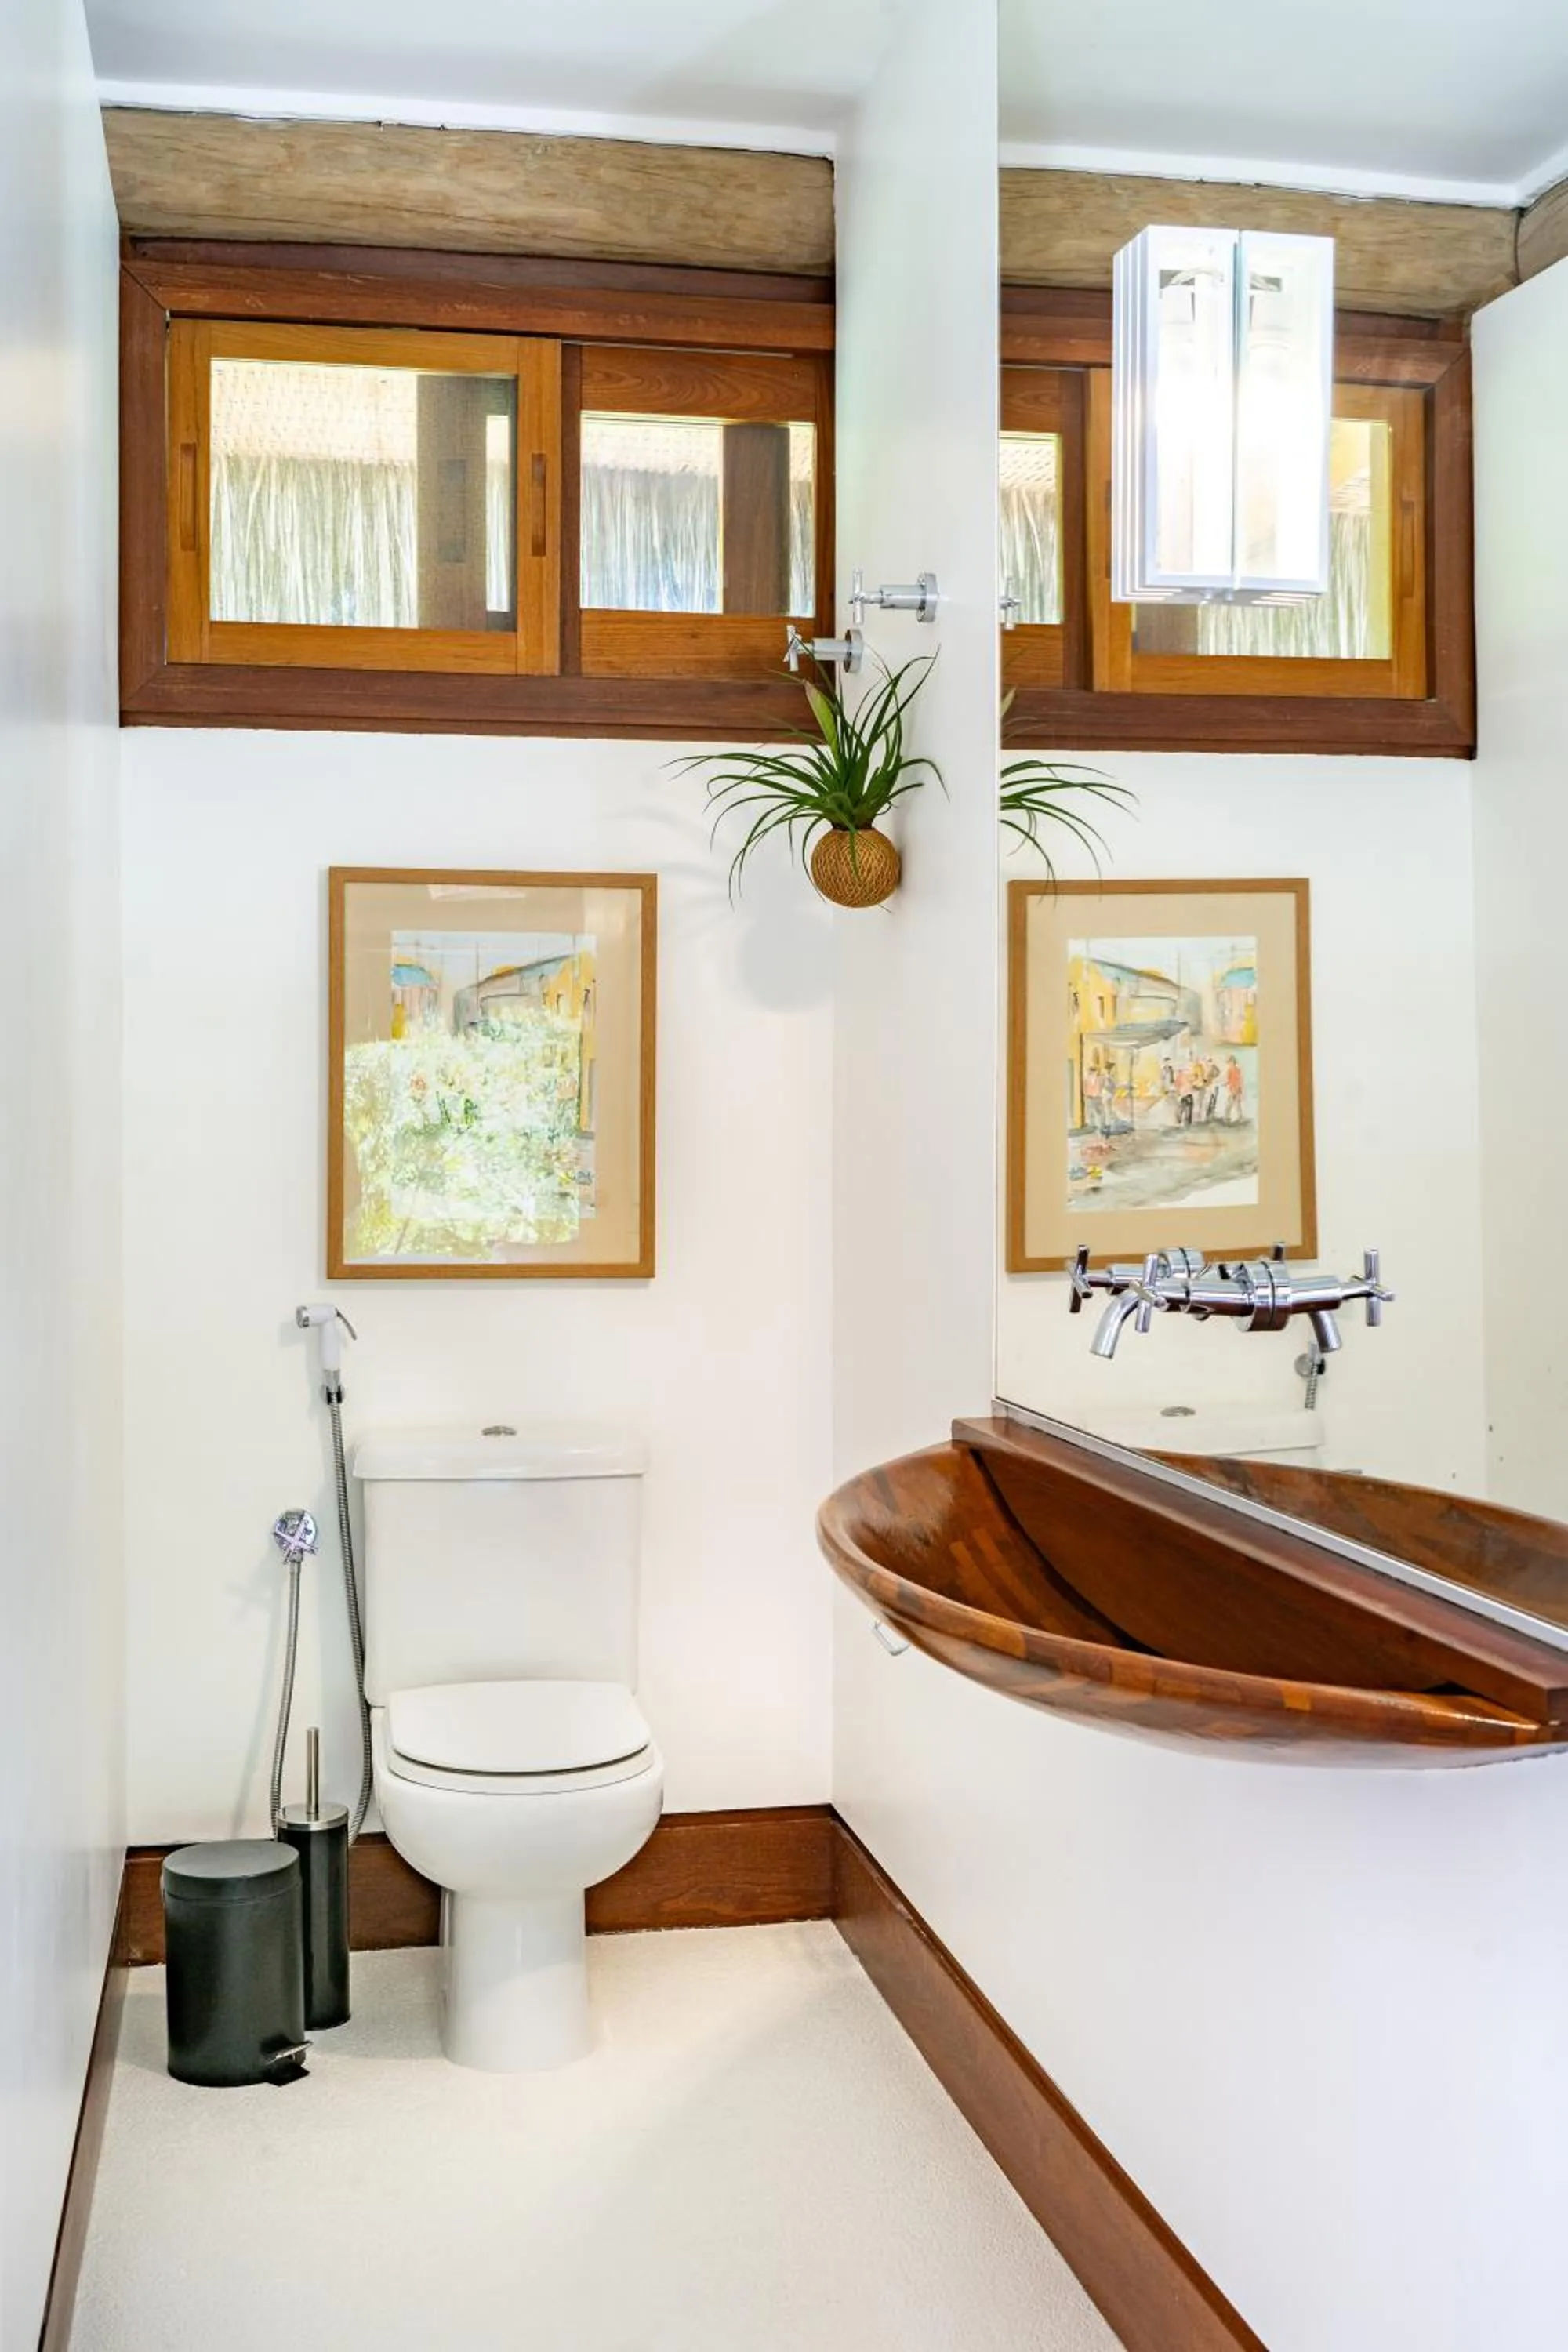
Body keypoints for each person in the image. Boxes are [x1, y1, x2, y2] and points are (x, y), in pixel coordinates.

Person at [1225, 1054, 1245, 1123]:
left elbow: (1238, 1080)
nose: (1230, 1064)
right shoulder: (1234, 1070)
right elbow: (1229, 1080)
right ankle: (1239, 1118)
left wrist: (1239, 1089)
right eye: (1229, 1062)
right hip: (1234, 1089)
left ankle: (1228, 1118)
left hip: (1234, 1089)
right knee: (1235, 1104)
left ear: (1233, 1062)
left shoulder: (1233, 1070)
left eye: (1230, 1062)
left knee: (1231, 1104)